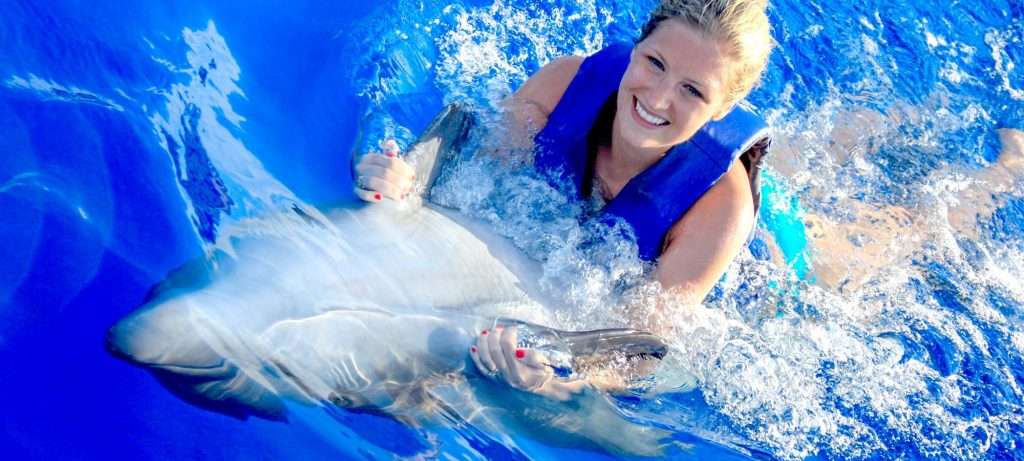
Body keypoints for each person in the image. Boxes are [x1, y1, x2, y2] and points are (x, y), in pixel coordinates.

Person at [353, 0, 774, 399]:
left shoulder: (719, 207)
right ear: (637, 47)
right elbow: (477, 173)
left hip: (766, 259)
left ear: (724, 107)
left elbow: (638, 354)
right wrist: (403, 179)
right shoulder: (563, 85)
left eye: (693, 91)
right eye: (655, 63)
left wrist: (557, 381)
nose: (659, 98)